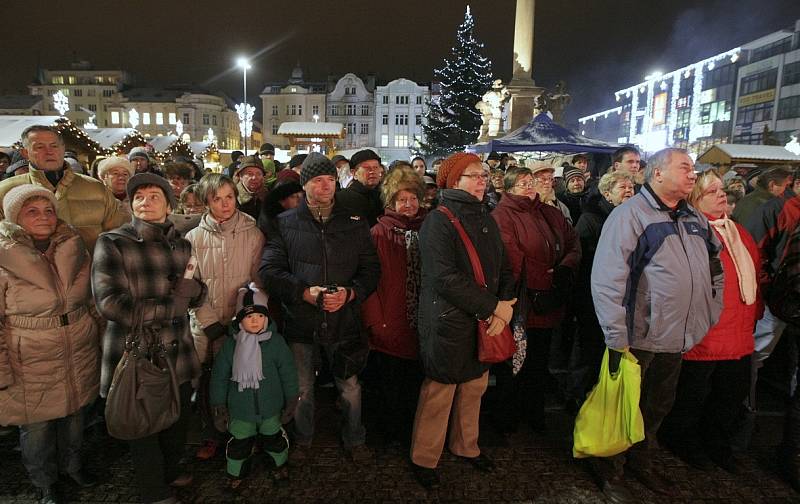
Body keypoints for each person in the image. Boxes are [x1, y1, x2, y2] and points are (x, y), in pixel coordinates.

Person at [589, 147, 724, 502]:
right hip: (638, 335)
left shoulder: (693, 216)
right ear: (658, 173)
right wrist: (616, 334)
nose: (692, 174)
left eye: (693, 168)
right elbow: (608, 278)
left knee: (657, 406)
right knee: (623, 407)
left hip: (677, 335)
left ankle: (641, 461)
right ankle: (610, 470)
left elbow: (715, 267)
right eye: (685, 167)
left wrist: (709, 310)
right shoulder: (630, 215)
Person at [92, 173, 206, 504]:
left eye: (154, 195)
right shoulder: (113, 242)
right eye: (138, 196)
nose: (146, 201)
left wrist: (195, 290)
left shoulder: (182, 244)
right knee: (143, 424)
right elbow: (110, 303)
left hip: (178, 349)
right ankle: (153, 492)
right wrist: (171, 305)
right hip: (137, 351)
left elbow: (197, 293)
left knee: (177, 418)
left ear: (169, 204)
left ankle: (170, 470)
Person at [260, 152, 380, 462]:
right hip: (302, 320)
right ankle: (303, 439)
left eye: (330, 179)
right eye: (317, 179)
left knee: (350, 386)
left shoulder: (354, 223)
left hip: (344, 320)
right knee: (302, 388)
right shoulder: (285, 224)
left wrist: (351, 293)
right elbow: (270, 271)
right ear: (305, 184)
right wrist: (303, 292)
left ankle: (355, 439)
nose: (325, 185)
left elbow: (371, 270)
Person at [409, 152, 516, 489]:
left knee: (474, 388)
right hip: (450, 320)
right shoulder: (438, 220)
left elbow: (503, 265)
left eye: (483, 175)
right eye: (474, 175)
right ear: (454, 181)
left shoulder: (485, 215)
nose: (482, 180)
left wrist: (506, 303)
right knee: (440, 391)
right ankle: (424, 457)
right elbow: (444, 277)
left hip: (484, 318)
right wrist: (493, 308)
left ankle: (466, 446)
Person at [0, 185, 101, 504]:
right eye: (32, 211)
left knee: (75, 416)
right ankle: (44, 481)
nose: (43, 217)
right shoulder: (4, 255)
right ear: (15, 217)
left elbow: (91, 298)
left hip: (77, 346)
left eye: (48, 210)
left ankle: (72, 466)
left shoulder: (73, 245)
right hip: (29, 355)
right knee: (38, 426)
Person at [659, 169, 761, 474]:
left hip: (738, 333)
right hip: (704, 333)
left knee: (728, 396)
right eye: (712, 191)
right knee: (692, 396)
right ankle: (684, 441)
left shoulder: (738, 232)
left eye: (722, 190)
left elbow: (755, 275)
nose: (722, 195)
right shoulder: (686, 231)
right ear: (694, 199)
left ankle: (717, 444)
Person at [491, 166, 580, 433]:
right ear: (509, 189)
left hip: (548, 300)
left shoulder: (549, 212)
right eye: (521, 183)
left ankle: (534, 411)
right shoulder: (502, 216)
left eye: (531, 181)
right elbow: (512, 257)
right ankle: (509, 415)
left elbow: (572, 242)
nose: (529, 187)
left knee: (540, 360)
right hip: (522, 302)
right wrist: (546, 276)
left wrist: (563, 269)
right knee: (515, 360)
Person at [185, 173, 265, 460]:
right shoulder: (193, 238)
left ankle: (243, 434)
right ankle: (211, 435)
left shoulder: (252, 232)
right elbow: (190, 284)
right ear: (207, 202)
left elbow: (258, 279)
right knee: (207, 384)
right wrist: (208, 322)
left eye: (229, 197)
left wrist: (246, 315)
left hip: (240, 321)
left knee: (241, 381)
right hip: (206, 325)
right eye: (217, 199)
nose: (225, 204)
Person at [209, 283, 299, 489]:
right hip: (241, 410)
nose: (255, 321)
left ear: (266, 318)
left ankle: (279, 465)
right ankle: (236, 474)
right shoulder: (231, 345)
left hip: (271, 409)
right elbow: (219, 377)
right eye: (249, 317)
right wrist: (219, 405)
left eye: (259, 316)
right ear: (240, 320)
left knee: (274, 440)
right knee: (239, 444)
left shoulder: (276, 343)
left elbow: (288, 374)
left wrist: (291, 400)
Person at [361, 165, 426, 445]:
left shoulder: (429, 228)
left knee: (415, 383)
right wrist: (376, 321)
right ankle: (386, 434)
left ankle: (410, 432)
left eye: (412, 198)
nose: (408, 204)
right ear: (391, 202)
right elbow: (367, 281)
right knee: (388, 383)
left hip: (420, 321)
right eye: (402, 199)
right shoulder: (379, 232)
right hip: (390, 320)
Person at [0, 126, 127, 252]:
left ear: (63, 148)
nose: (49, 151)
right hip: (28, 270)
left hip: (90, 269)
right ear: (25, 153)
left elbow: (117, 235)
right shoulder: (6, 191)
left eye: (54, 146)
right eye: (40, 147)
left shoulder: (96, 188)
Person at [569, 172, 634, 407]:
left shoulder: (631, 217)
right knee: (589, 346)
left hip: (620, 296)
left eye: (631, 187)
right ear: (607, 193)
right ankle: (578, 395)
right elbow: (581, 259)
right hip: (592, 295)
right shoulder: (591, 218)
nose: (629, 191)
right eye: (622, 187)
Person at [337, 149, 385, 227]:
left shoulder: (385, 197)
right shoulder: (343, 199)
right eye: (367, 168)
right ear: (354, 173)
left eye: (375, 167)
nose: (372, 171)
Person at [233, 155, 267, 221]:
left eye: (258, 174)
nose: (254, 178)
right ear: (240, 176)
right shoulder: (232, 198)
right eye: (250, 174)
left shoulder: (269, 198)